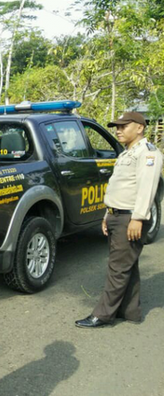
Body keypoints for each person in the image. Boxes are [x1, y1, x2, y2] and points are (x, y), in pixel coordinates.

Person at [76, 112, 163, 328]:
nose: (118, 130)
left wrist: (139, 218)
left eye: (124, 126)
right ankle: (131, 311)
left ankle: (103, 314)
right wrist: (108, 214)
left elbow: (146, 189)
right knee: (127, 266)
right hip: (118, 215)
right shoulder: (127, 153)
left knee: (117, 268)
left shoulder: (148, 153)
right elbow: (119, 187)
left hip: (130, 218)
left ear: (140, 128)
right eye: (117, 126)